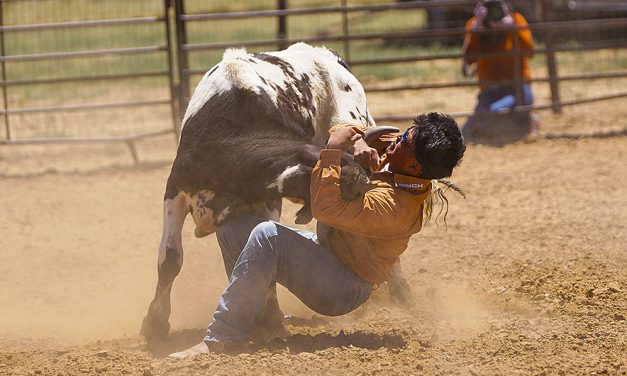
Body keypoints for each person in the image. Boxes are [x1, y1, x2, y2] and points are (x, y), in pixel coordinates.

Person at [169, 112, 465, 358]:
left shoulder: (394, 209)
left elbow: (325, 208)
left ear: (414, 165)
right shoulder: (407, 164)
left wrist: (334, 151)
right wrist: (358, 139)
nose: (396, 140)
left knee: (267, 235)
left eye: (404, 141)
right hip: (329, 252)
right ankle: (259, 319)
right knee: (234, 228)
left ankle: (222, 339)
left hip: (342, 287)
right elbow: (342, 126)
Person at [462, 0, 537, 140]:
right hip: (491, 88)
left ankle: (525, 119)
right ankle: (513, 122)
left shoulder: (516, 20)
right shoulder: (475, 24)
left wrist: (513, 28)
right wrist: (477, 29)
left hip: (517, 87)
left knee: (498, 111)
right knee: (487, 115)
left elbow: (530, 51)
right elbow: (469, 59)